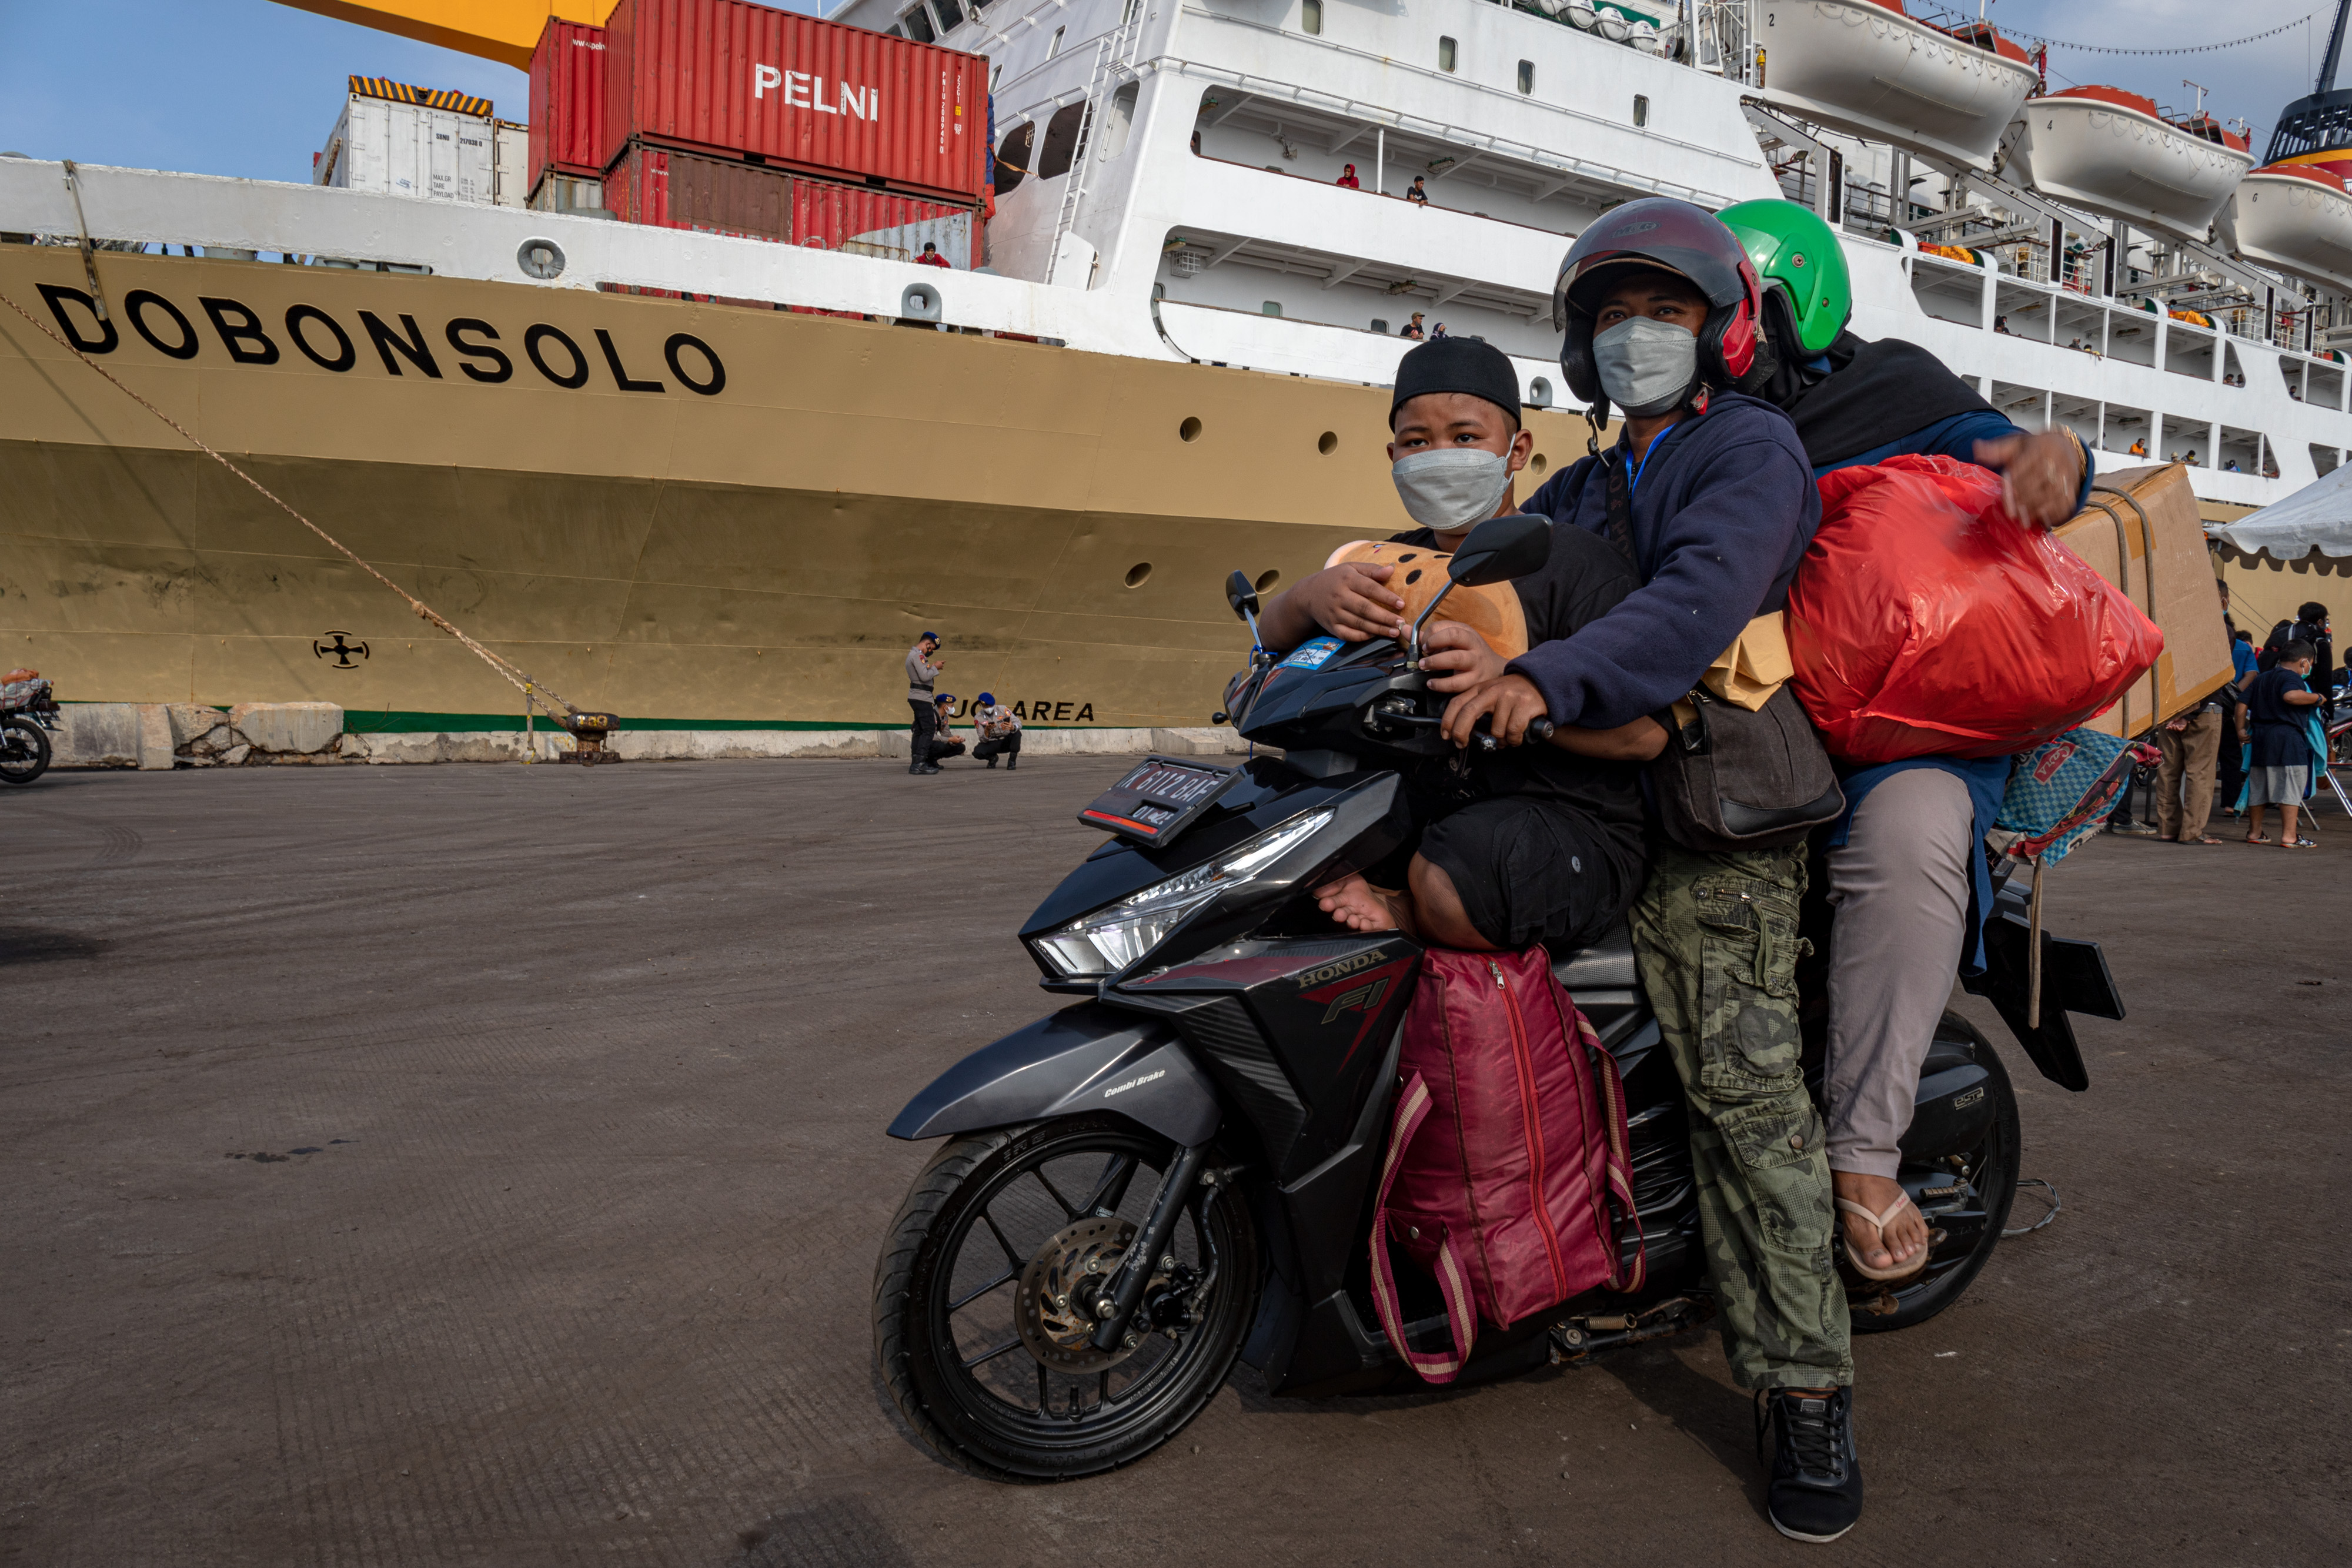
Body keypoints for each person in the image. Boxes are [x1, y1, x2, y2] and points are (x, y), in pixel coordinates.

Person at [1474, 200, 1859, 1542]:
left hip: (1717, 822)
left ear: (1722, 330)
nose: (1635, 334)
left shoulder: (1748, 454)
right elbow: (1494, 573)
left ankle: (1805, 1386)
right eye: (1613, 315)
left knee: (1742, 1096)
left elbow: (1688, 607)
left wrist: (1536, 677)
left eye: (1666, 312)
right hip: (1598, 793)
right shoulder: (1586, 483)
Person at [1720, 197, 2091, 1286]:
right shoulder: (1681, 429)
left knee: (1911, 834)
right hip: (1745, 724)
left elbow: (2004, 447)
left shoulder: (1895, 388)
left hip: (1897, 737)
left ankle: (1864, 1156)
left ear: (1793, 307)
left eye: (1727, 311)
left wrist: (2048, 461)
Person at [1255, 336, 1661, 952]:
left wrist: (1513, 686)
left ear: (1516, 450)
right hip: (1418, 811)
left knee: (1453, 878)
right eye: (1417, 443)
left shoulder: (1578, 565)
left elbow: (1645, 736)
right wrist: (1307, 598)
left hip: (1565, 825)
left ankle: (1409, 911)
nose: (1438, 456)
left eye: (1466, 438)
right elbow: (1268, 641)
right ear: (1392, 455)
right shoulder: (1387, 561)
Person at [2241, 641, 2324, 847]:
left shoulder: (2263, 677)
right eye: (2310, 663)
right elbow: (2291, 696)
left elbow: (2242, 702)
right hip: (2288, 739)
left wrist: (2240, 729)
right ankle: (2290, 836)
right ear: (2304, 661)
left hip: (2260, 738)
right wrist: (2317, 698)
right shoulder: (2291, 678)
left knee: (2259, 787)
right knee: (2291, 786)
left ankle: (2255, 832)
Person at [2156, 682, 2226, 845]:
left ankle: (2167, 829)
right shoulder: (2213, 654)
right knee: (2200, 773)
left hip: (2169, 707)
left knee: (2167, 772)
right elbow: (2213, 677)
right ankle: (2191, 831)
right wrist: (2188, 715)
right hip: (2205, 710)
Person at [2215, 580, 2260, 819]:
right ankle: (2230, 803)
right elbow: (2253, 673)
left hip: (2202, 706)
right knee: (2231, 756)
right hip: (2229, 710)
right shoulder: (2242, 647)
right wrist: (2235, 693)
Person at [906, 632, 947, 776]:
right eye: (932, 648)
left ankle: (916, 762)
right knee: (929, 729)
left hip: (919, 697)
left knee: (920, 730)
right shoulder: (918, 656)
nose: (931, 651)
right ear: (927, 644)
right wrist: (935, 667)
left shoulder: (913, 655)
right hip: (921, 697)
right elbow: (924, 677)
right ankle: (920, 764)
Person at [972, 691, 1023, 769]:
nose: (989, 708)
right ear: (980, 705)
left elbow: (1018, 722)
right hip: (993, 742)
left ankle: (1012, 760)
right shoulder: (978, 718)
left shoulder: (1003, 709)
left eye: (991, 706)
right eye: (986, 706)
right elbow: (982, 739)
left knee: (1017, 733)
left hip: (1006, 741)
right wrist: (987, 731)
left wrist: (1013, 727)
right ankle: (993, 758)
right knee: (977, 752)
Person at [925, 694, 968, 764]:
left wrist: (956, 741)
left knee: (960, 747)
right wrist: (950, 740)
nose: (953, 708)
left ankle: (933, 760)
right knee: (940, 746)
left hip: (933, 742)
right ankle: (927, 760)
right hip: (923, 743)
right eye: (952, 706)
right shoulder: (930, 716)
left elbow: (946, 734)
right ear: (945, 707)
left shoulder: (944, 717)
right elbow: (931, 736)